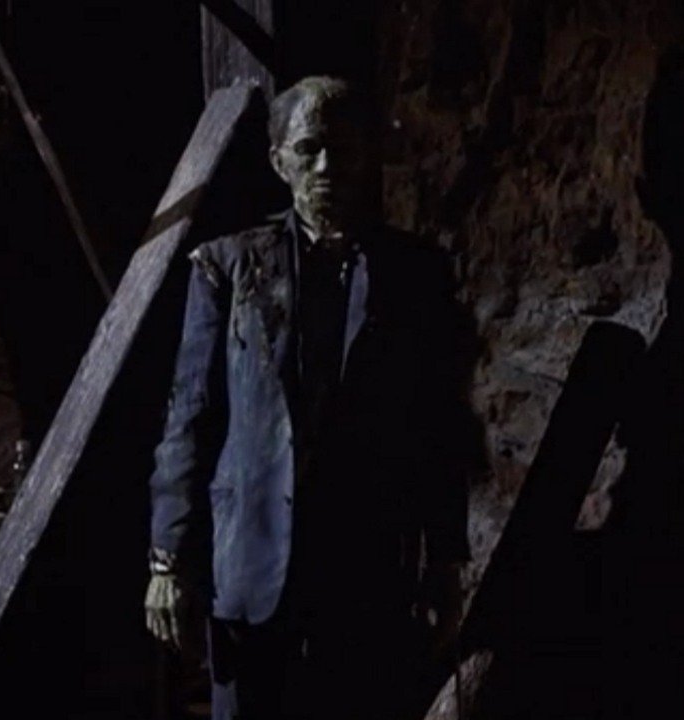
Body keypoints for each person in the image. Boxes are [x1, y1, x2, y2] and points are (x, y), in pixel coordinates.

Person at [144, 75, 471, 720]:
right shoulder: (227, 266)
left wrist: (446, 561)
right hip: (253, 565)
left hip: (367, 568)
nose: (327, 167)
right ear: (279, 161)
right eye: (309, 148)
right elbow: (190, 416)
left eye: (343, 150)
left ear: (368, 156)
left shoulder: (415, 276)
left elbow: (439, 428)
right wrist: (167, 559)